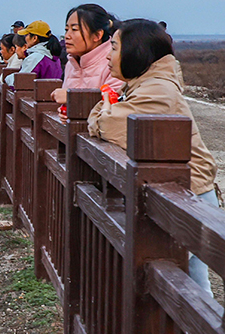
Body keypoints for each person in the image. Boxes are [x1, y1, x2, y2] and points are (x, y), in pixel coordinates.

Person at [87, 19, 219, 294]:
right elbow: (106, 114)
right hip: (179, 192)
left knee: (182, 288)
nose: (109, 56)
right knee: (192, 286)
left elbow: (109, 124)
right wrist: (106, 109)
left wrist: (105, 109)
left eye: (114, 47)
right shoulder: (143, 84)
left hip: (185, 195)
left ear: (136, 52)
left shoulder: (156, 89)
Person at [52, 4, 124, 104]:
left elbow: (115, 102)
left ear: (97, 35)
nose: (67, 36)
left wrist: (72, 98)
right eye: (66, 30)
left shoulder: (114, 61)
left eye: (74, 29)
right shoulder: (72, 63)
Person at [4, 20, 62, 86]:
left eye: (27, 35)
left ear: (34, 38)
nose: (25, 38)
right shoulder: (53, 55)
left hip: (41, 92)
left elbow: (20, 81)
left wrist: (7, 78)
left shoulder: (36, 58)